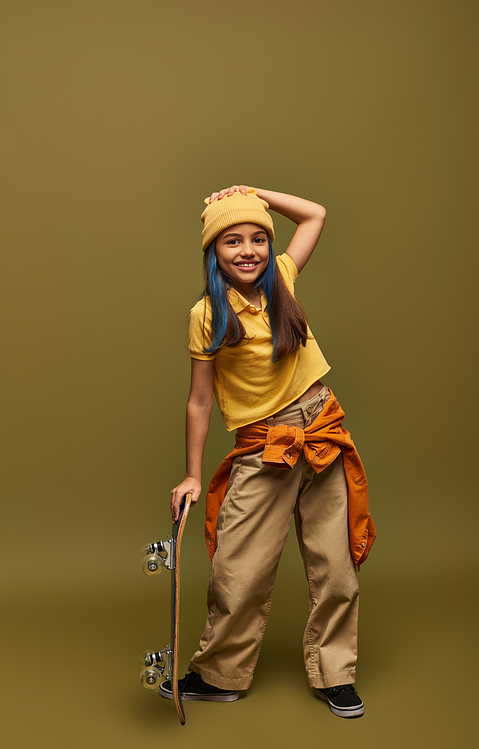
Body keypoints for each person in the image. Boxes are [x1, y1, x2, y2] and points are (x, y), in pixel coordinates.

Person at [162, 185, 376, 719]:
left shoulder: (282, 278)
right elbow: (199, 400)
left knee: (336, 566)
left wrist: (253, 191)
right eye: (232, 241)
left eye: (258, 238)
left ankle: (335, 674)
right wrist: (191, 475)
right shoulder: (206, 314)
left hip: (320, 428)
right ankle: (219, 675)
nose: (249, 250)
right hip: (263, 447)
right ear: (213, 252)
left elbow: (316, 214)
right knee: (239, 569)